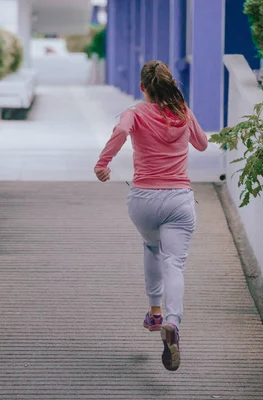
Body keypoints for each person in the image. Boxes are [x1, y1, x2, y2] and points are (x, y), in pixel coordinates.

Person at [94, 60, 208, 371]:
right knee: (174, 263)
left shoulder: (135, 112)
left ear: (143, 87)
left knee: (151, 245)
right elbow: (202, 143)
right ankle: (172, 322)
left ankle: (154, 310)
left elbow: (120, 130)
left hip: (144, 199)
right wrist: (184, 111)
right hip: (178, 200)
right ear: (170, 85)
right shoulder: (182, 112)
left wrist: (103, 163)